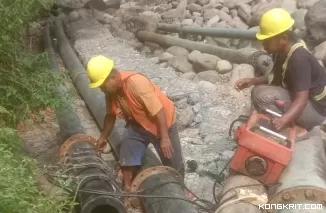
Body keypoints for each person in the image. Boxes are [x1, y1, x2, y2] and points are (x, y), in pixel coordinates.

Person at [86, 55, 185, 191]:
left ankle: (181, 191)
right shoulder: (111, 92)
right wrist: (103, 138)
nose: (101, 90)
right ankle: (128, 189)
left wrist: (165, 138)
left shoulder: (136, 83)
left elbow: (158, 111)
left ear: (112, 78)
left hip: (162, 124)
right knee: (127, 151)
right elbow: (110, 116)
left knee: (173, 162)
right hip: (139, 125)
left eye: (102, 86)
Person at [235, 8, 326, 133]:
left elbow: (301, 99)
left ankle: (299, 128)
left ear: (283, 39)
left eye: (267, 40)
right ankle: (289, 119)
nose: (263, 45)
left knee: (262, 96)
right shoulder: (283, 50)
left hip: (317, 110)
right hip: (307, 100)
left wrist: (284, 120)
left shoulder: (299, 59)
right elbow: (275, 77)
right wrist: (253, 81)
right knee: (258, 91)